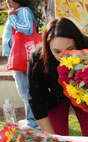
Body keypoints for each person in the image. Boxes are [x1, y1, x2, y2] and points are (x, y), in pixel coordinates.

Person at [28, 17, 88, 136]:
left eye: (70, 49)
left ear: (77, 42)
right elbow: (36, 100)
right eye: (56, 51)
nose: (63, 57)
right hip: (54, 97)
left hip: (85, 96)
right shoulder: (37, 58)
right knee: (57, 137)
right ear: (47, 47)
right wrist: (53, 140)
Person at [2, 0, 39, 129]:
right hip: (19, 56)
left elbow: (27, 29)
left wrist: (11, 17)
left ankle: (33, 121)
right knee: (24, 89)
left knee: (26, 90)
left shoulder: (22, 11)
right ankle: (31, 119)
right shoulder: (19, 11)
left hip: (22, 56)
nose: (7, 1)